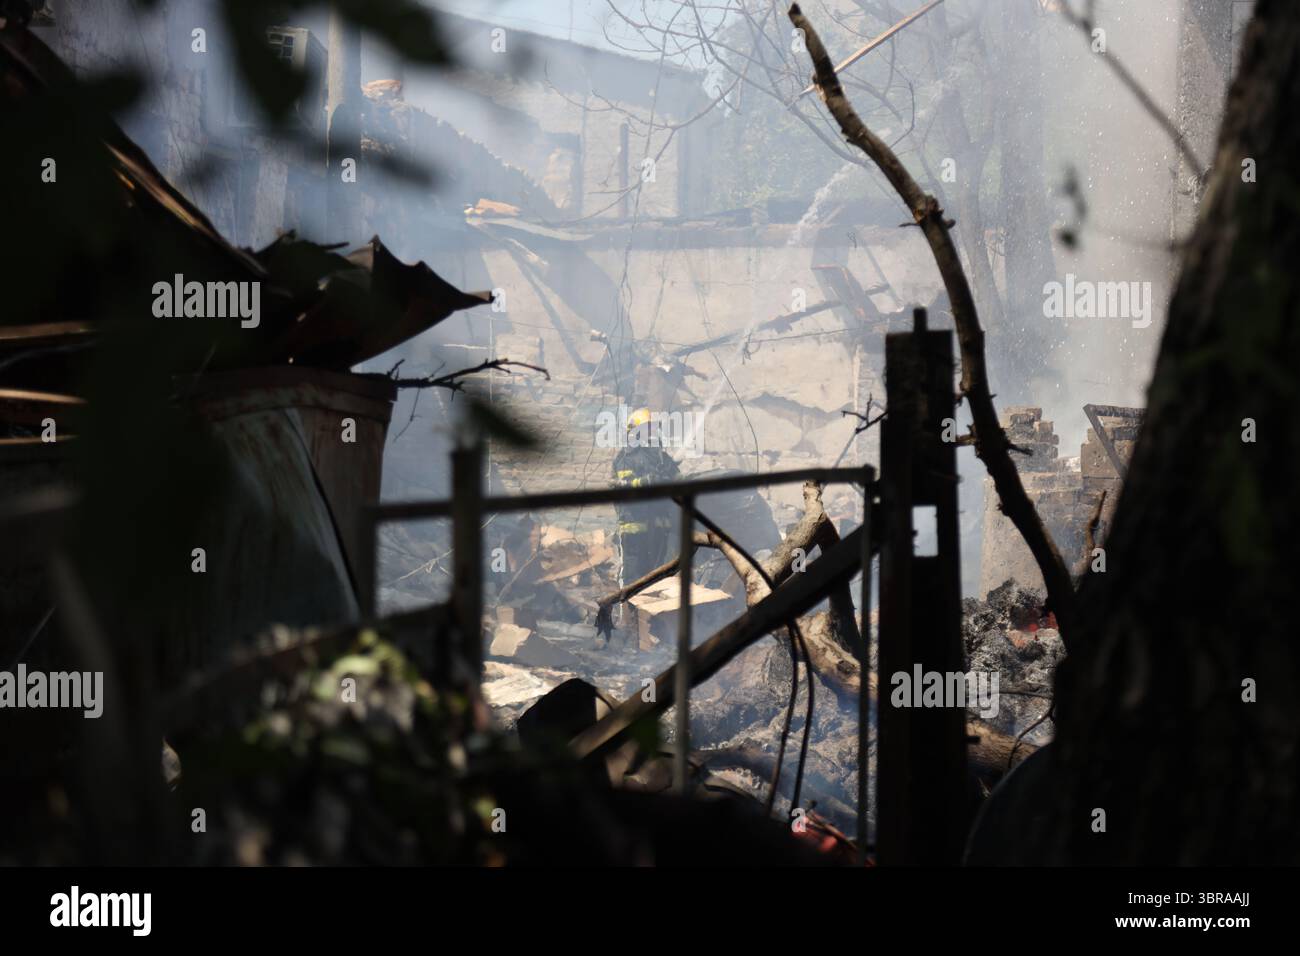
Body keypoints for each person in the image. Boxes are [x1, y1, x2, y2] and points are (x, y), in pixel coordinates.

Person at [610, 408, 680, 646]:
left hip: (659, 529)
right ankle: (628, 627)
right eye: (646, 429)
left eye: (652, 428)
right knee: (633, 576)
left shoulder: (661, 457)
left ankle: (652, 627)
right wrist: (647, 481)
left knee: (657, 576)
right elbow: (625, 483)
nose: (651, 433)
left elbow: (677, 482)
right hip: (634, 528)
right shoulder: (626, 457)